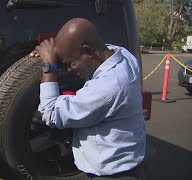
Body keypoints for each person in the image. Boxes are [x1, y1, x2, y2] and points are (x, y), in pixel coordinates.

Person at [30, 18, 146, 179]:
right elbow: (101, 46)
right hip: (128, 163)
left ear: (89, 51)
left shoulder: (107, 89)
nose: (69, 70)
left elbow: (51, 114)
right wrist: (60, 49)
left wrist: (49, 66)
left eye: (70, 64)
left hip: (110, 174)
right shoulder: (124, 56)